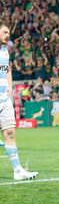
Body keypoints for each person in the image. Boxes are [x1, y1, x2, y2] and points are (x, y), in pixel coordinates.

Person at [0, 23, 38, 180]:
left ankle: (18, 171)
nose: (7, 35)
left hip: (3, 99)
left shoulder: (5, 51)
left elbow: (7, 69)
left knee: (9, 132)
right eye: (3, 32)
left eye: (8, 33)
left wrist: (10, 87)